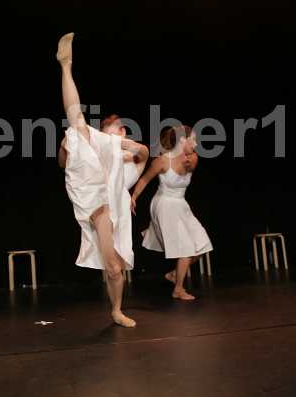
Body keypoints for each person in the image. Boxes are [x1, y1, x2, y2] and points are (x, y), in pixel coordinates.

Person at [56, 32, 144, 327]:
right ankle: (66, 65)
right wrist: (68, 148)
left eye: (121, 128)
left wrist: (130, 148)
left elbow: (145, 155)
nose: (120, 130)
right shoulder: (100, 142)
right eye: (114, 127)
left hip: (116, 208)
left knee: (115, 269)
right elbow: (64, 163)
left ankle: (116, 310)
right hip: (95, 198)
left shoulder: (127, 162)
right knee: (77, 122)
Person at [131, 125, 213, 301]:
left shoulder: (193, 158)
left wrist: (187, 160)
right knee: (186, 248)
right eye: (193, 140)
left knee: (202, 244)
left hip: (181, 204)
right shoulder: (162, 161)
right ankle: (178, 289)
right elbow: (144, 180)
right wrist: (134, 196)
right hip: (164, 204)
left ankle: (175, 274)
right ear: (182, 140)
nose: (196, 144)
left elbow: (188, 168)